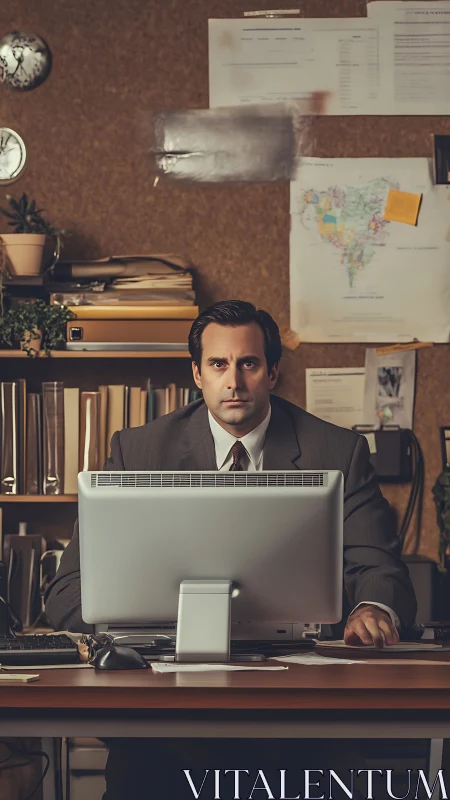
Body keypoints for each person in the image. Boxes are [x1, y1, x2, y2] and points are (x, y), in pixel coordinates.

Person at [45, 300, 417, 799]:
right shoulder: (140, 450)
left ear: (273, 372)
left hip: (298, 710)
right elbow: (67, 589)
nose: (234, 381)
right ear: (196, 373)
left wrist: (373, 607)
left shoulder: (338, 451)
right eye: (219, 365)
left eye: (249, 363)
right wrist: (129, 625)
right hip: (167, 708)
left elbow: (379, 566)